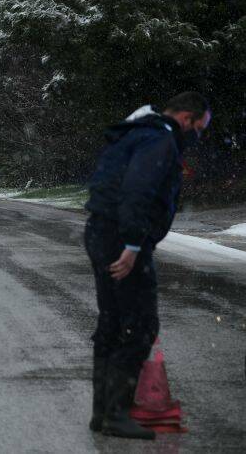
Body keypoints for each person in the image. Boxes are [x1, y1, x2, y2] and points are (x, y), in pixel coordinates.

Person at [84, 92, 212, 440]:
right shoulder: (160, 139)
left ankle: (103, 413)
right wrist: (132, 244)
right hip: (120, 237)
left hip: (101, 230)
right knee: (140, 324)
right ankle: (115, 413)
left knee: (112, 320)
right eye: (199, 129)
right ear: (186, 119)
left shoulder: (139, 131)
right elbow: (137, 191)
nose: (197, 137)